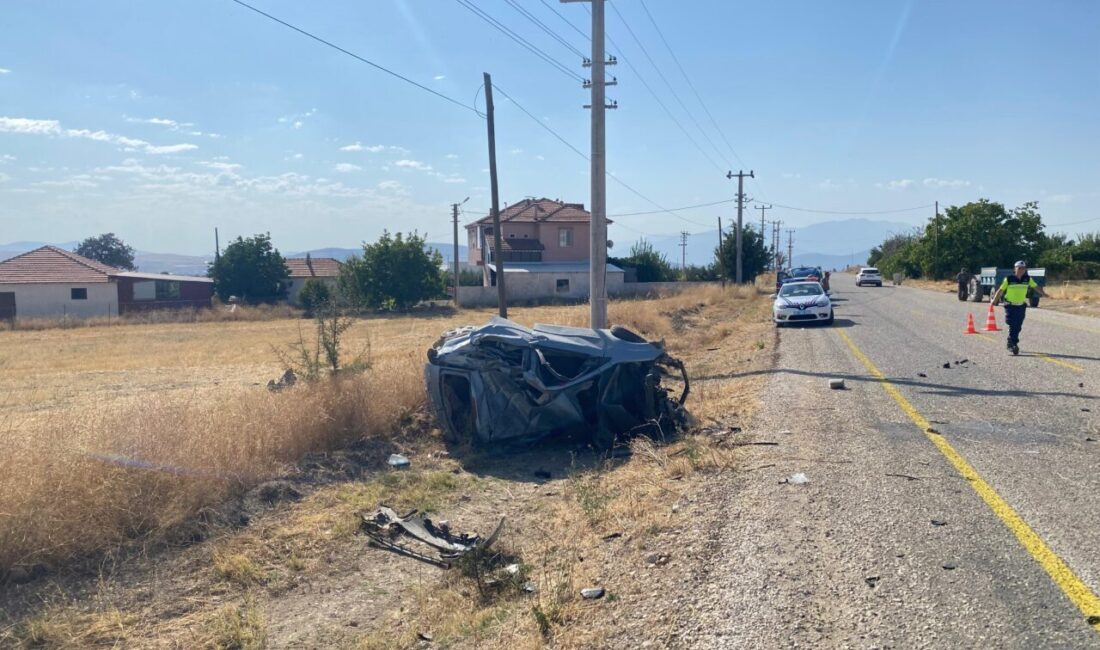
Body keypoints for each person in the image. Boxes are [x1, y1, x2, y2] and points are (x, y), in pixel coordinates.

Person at [989, 261, 1048, 355]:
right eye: (1019, 268)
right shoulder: (1009, 279)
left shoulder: (1027, 279)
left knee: (1018, 326)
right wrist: (994, 301)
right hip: (1010, 305)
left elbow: (1036, 287)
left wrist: (1043, 294)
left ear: (1025, 270)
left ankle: (1011, 342)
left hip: (1021, 305)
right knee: (1012, 324)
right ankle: (1012, 344)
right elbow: (1000, 290)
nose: (1021, 270)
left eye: (1023, 268)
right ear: (1014, 269)